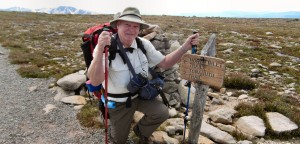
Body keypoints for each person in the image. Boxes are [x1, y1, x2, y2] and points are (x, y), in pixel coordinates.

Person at [87, 7, 199, 144]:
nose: (131, 29)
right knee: (119, 141)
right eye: (127, 24)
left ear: (139, 28)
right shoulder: (106, 47)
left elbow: (164, 63)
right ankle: (113, 128)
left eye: (135, 26)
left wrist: (185, 47)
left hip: (139, 95)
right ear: (118, 25)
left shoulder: (143, 44)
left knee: (162, 112)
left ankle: (140, 132)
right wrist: (99, 51)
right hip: (118, 103)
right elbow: (95, 80)